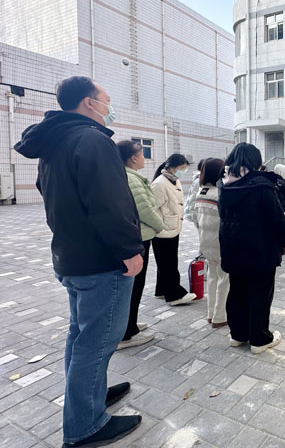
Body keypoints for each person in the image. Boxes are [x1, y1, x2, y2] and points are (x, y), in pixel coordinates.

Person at [14, 76, 144, 446]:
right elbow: (110, 202)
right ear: (89, 102)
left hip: (71, 257)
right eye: (106, 99)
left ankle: (89, 397)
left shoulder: (55, 141)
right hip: (101, 262)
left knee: (81, 335)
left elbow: (50, 193)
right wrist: (129, 250)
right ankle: (85, 426)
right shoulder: (92, 139)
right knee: (97, 342)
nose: (109, 107)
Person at [218, 143, 285, 354]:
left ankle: (238, 335)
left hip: (232, 247)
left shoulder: (224, 184)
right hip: (260, 248)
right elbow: (276, 218)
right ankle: (259, 339)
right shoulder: (261, 185)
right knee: (260, 292)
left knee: (237, 291)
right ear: (255, 161)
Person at [116, 140, 163, 350]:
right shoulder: (132, 179)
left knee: (135, 285)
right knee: (134, 285)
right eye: (143, 154)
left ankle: (130, 324)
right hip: (139, 237)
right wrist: (160, 225)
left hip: (139, 236)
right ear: (133, 158)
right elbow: (144, 209)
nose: (145, 158)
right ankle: (126, 332)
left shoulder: (127, 175)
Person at [151, 154, 198, 306]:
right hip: (163, 229)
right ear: (171, 167)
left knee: (166, 262)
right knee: (168, 264)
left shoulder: (173, 180)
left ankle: (161, 290)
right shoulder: (160, 183)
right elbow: (152, 209)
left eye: (185, 168)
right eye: (182, 168)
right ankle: (174, 295)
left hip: (172, 227)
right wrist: (158, 227)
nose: (184, 171)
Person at [193, 158, 229, 328]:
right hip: (221, 243)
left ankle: (210, 313)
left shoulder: (201, 192)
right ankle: (220, 316)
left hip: (206, 242)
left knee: (212, 277)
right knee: (224, 279)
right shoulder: (221, 193)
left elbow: (195, 220)